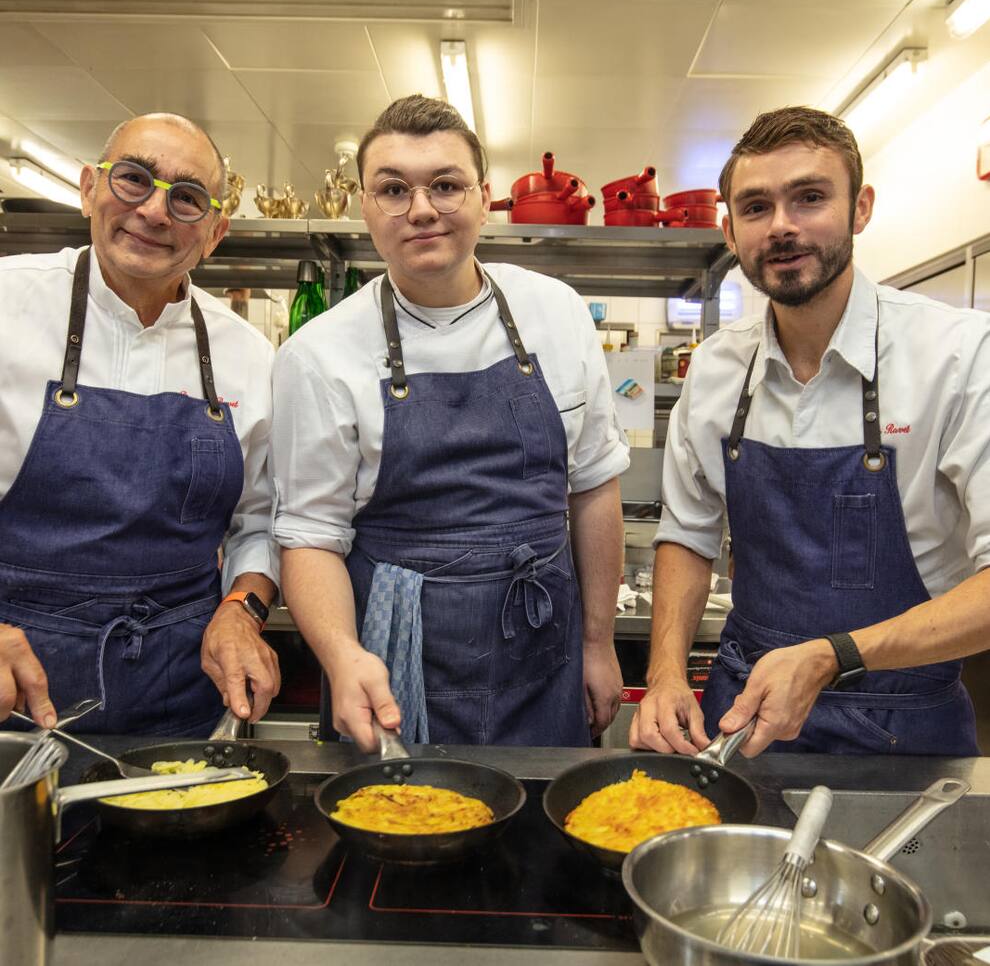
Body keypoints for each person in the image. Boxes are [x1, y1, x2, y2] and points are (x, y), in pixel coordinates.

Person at [271, 95, 629, 752]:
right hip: (393, 661)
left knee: (545, 845)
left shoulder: (557, 313)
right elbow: (309, 537)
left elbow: (595, 485)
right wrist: (342, 658)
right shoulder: (319, 356)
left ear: (484, 196)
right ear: (363, 206)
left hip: (544, 654)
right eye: (393, 189)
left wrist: (599, 644)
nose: (422, 209)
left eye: (445, 185)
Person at [631, 106, 990, 758]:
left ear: (861, 208)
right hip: (744, 719)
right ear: (730, 230)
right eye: (757, 206)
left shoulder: (959, 356)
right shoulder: (716, 368)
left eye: (810, 198)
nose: (783, 226)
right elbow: (687, 534)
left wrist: (834, 656)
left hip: (904, 726)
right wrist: (664, 676)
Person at [0, 113, 280, 736]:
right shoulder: (6, 305)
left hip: (181, 688)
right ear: (88, 189)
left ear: (215, 232)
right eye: (133, 179)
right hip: (16, 682)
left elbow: (258, 521)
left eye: (187, 198)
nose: (155, 212)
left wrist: (241, 608)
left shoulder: (248, 357)